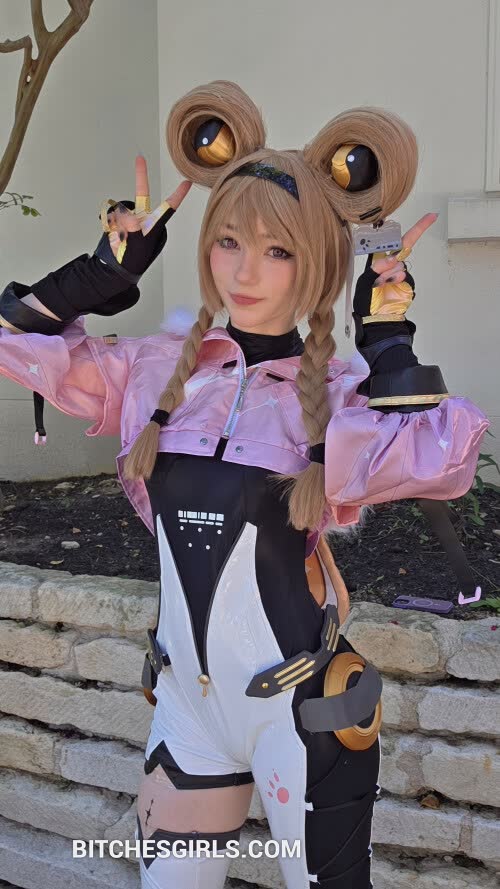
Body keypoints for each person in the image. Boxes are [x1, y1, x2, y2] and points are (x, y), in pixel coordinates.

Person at [0, 81, 489, 888]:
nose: (246, 271)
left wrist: (390, 342)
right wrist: (96, 277)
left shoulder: (336, 394)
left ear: (320, 260)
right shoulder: (157, 371)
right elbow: (16, 344)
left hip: (303, 712)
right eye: (228, 241)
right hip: (186, 710)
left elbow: (446, 460)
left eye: (279, 250)